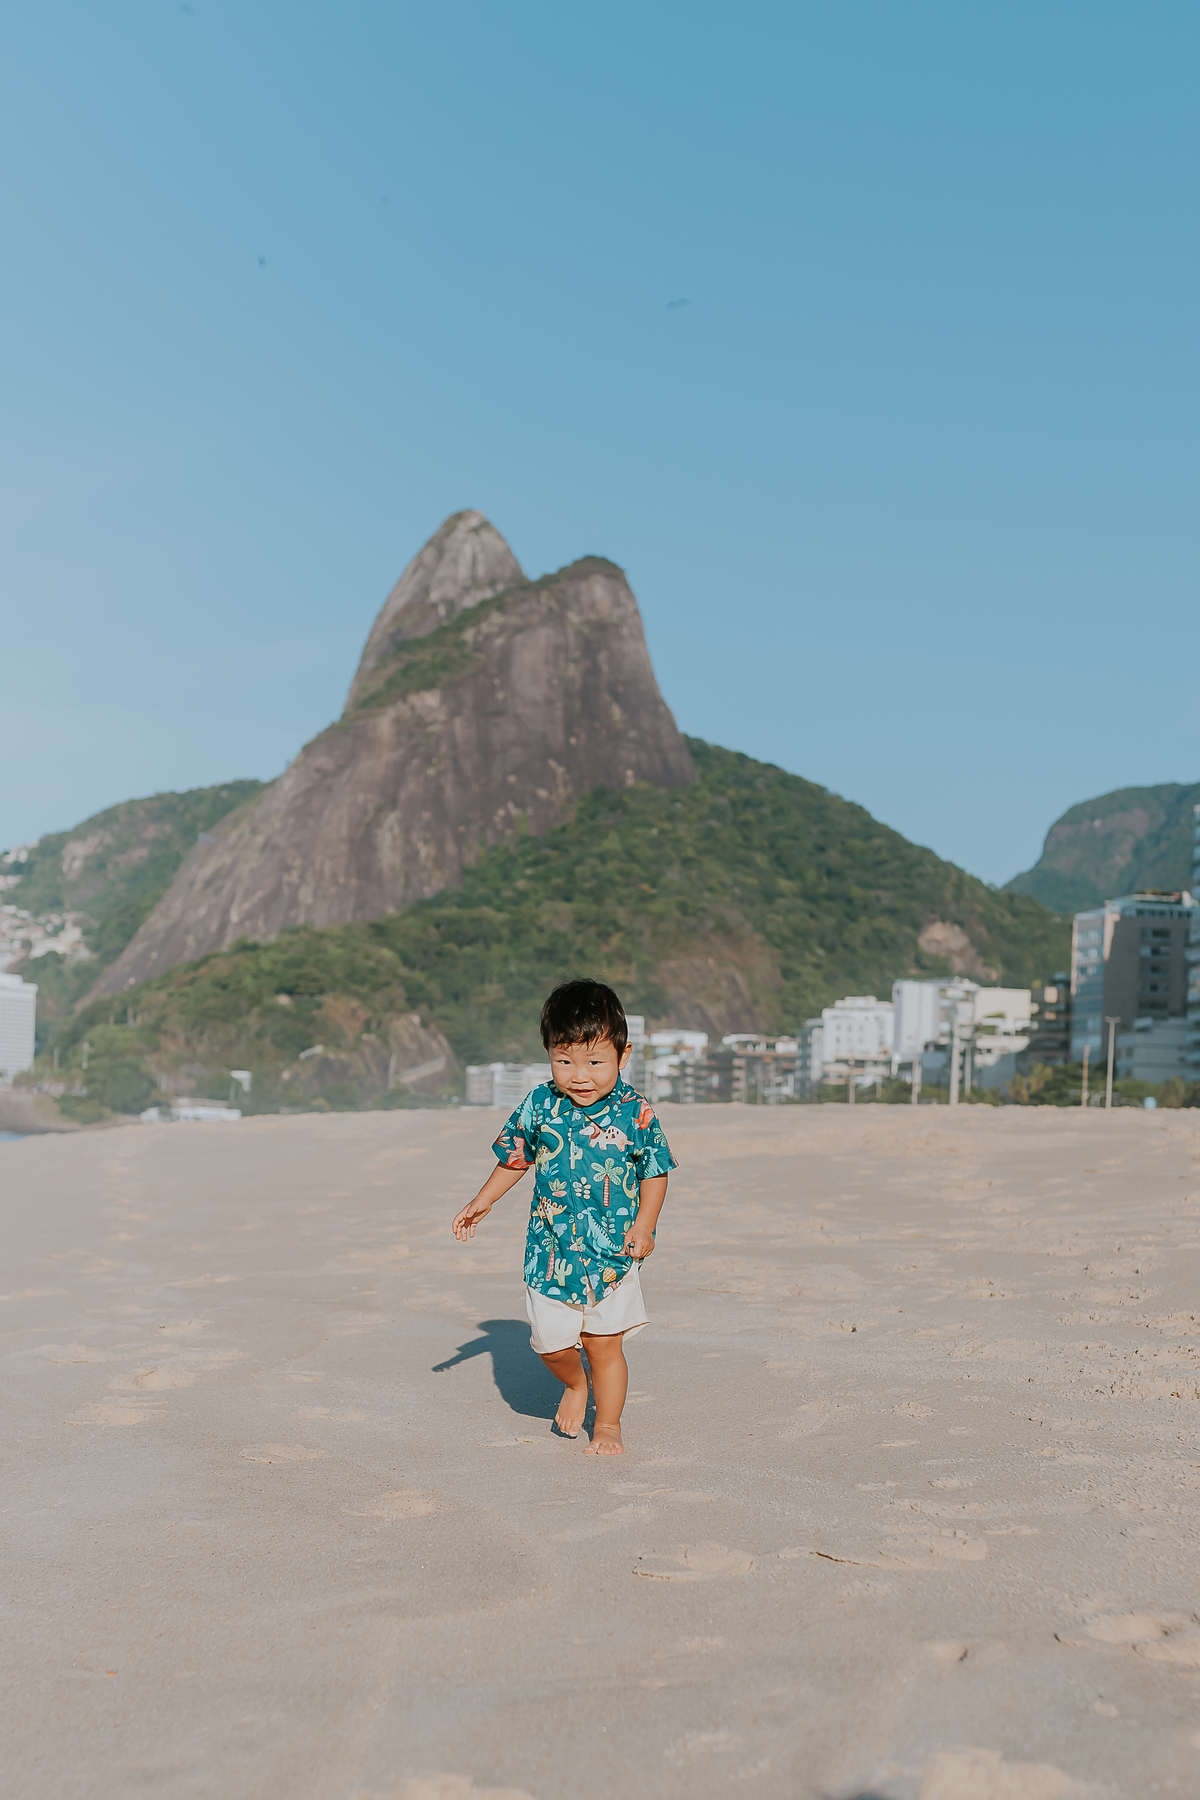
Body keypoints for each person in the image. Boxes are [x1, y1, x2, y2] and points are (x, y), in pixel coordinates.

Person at [451, 979, 676, 1456]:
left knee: (604, 1346)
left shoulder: (636, 1112)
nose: (580, 1075)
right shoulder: (540, 1104)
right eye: (564, 1060)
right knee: (553, 1346)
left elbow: (656, 1171)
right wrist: (483, 1199)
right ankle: (576, 1386)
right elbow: (516, 1157)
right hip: (550, 1254)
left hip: (614, 1253)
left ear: (623, 1054)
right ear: (548, 1054)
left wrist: (644, 1226)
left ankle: (609, 1425)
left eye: (595, 1062)